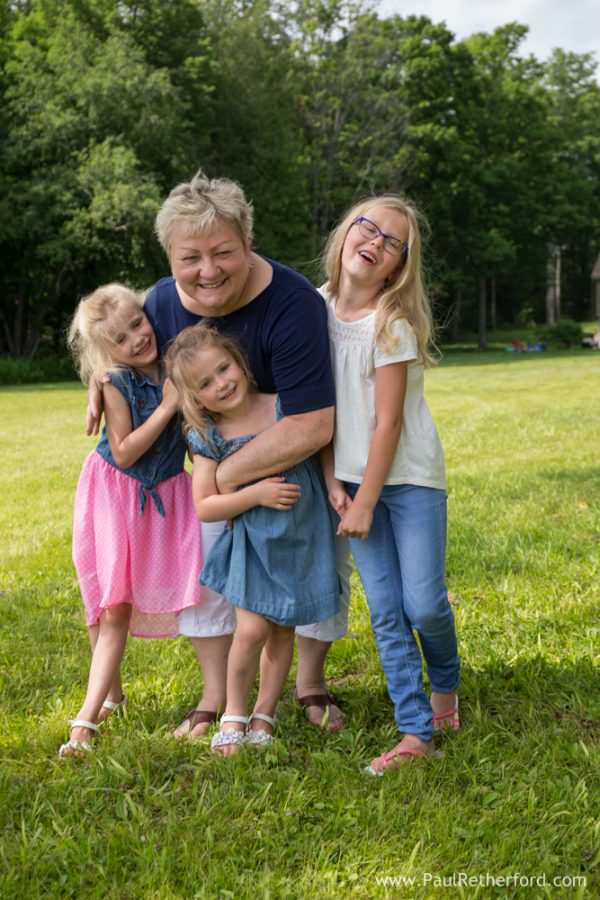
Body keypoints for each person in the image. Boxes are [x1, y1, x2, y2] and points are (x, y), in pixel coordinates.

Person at [87, 169, 351, 736]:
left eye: (223, 252)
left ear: (247, 241)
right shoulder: (158, 303)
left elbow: (312, 423)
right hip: (208, 476)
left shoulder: (292, 304)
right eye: (190, 257)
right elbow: (121, 339)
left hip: (292, 470)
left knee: (314, 572)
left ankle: (310, 683)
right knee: (207, 578)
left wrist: (225, 476)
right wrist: (102, 377)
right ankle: (215, 697)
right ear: (169, 255)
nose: (207, 271)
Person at [319, 197, 460, 774]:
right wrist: (334, 480)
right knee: (384, 610)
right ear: (348, 233)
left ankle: (445, 691)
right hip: (351, 482)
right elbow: (317, 405)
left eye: (392, 241)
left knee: (423, 605)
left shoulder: (390, 323)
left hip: (409, 482)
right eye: (367, 227)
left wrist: (366, 501)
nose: (375, 240)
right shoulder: (315, 308)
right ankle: (414, 730)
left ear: (397, 266)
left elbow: (388, 422)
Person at [165, 325, 339, 753]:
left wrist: (336, 490)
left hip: (300, 538)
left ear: (240, 362)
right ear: (196, 399)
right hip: (254, 547)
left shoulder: (284, 407)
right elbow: (205, 505)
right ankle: (234, 713)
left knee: (283, 630)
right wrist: (254, 494)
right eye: (206, 383)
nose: (222, 383)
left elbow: (323, 444)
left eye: (224, 368)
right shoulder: (208, 436)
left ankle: (265, 714)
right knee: (251, 629)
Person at [60, 284, 204, 757]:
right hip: (114, 491)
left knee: (124, 598)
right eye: (121, 339)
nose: (137, 339)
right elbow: (122, 451)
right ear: (108, 352)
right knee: (109, 600)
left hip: (163, 493)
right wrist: (166, 406)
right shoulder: (115, 381)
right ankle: (88, 716)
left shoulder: (175, 362)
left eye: (138, 324)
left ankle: (112, 697)